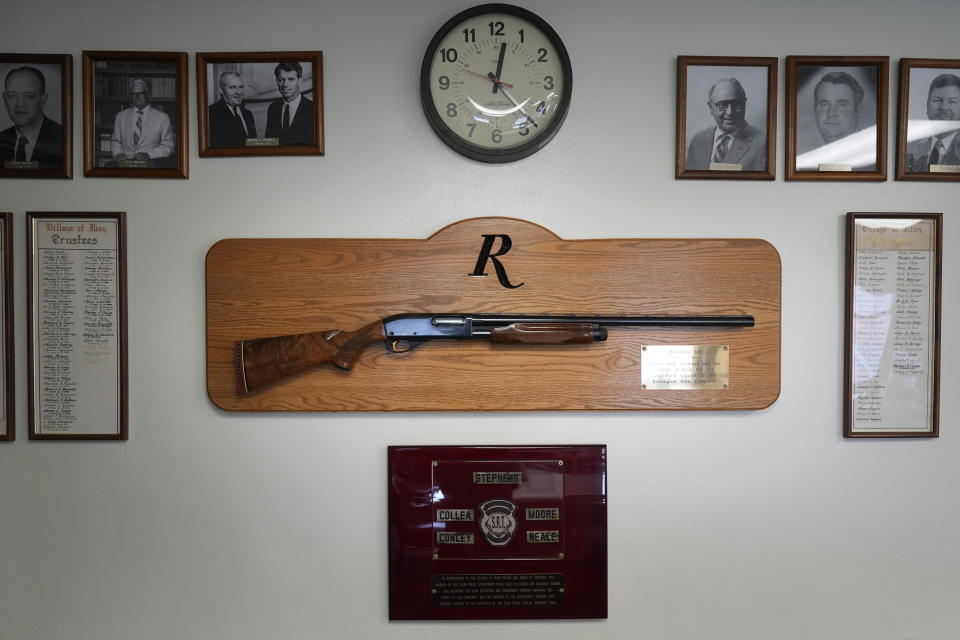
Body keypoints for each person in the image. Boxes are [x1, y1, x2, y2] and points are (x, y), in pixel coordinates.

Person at [686, 78, 765, 171]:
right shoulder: (697, 141)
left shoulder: (762, 143)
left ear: (744, 104)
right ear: (711, 108)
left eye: (736, 104)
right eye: (722, 105)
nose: (730, 112)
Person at [0, 66, 63, 168]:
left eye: (29, 96)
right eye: (12, 95)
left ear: (43, 100)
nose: (19, 104)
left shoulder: (64, 139)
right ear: (5, 99)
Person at [110, 77, 174, 164]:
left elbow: (168, 147)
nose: (137, 97)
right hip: (125, 165)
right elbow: (116, 141)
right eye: (134, 94)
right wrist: (118, 154)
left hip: (151, 166)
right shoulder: (120, 116)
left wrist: (148, 155)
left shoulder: (162, 118)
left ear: (147, 94)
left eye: (141, 93)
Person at [905, 73, 960, 171]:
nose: (944, 107)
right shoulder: (908, 148)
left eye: (952, 101)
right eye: (937, 100)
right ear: (927, 106)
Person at [265, 62, 314, 145]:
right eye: (281, 80)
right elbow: (270, 144)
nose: (285, 85)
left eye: (291, 79)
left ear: (300, 81)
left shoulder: (313, 108)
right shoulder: (273, 108)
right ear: (277, 81)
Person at [209, 70, 256, 147]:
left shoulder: (248, 114)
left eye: (241, 87)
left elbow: (253, 146)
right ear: (221, 90)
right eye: (232, 87)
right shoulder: (211, 113)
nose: (238, 92)